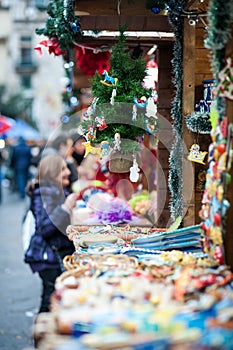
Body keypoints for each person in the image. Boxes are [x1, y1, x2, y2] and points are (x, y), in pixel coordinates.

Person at [24, 155, 77, 313]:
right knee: (50, 299)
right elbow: (44, 228)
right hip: (48, 256)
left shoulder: (58, 190)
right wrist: (66, 208)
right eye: (62, 170)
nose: (68, 172)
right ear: (51, 174)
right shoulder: (43, 193)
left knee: (54, 296)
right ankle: (42, 334)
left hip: (55, 252)